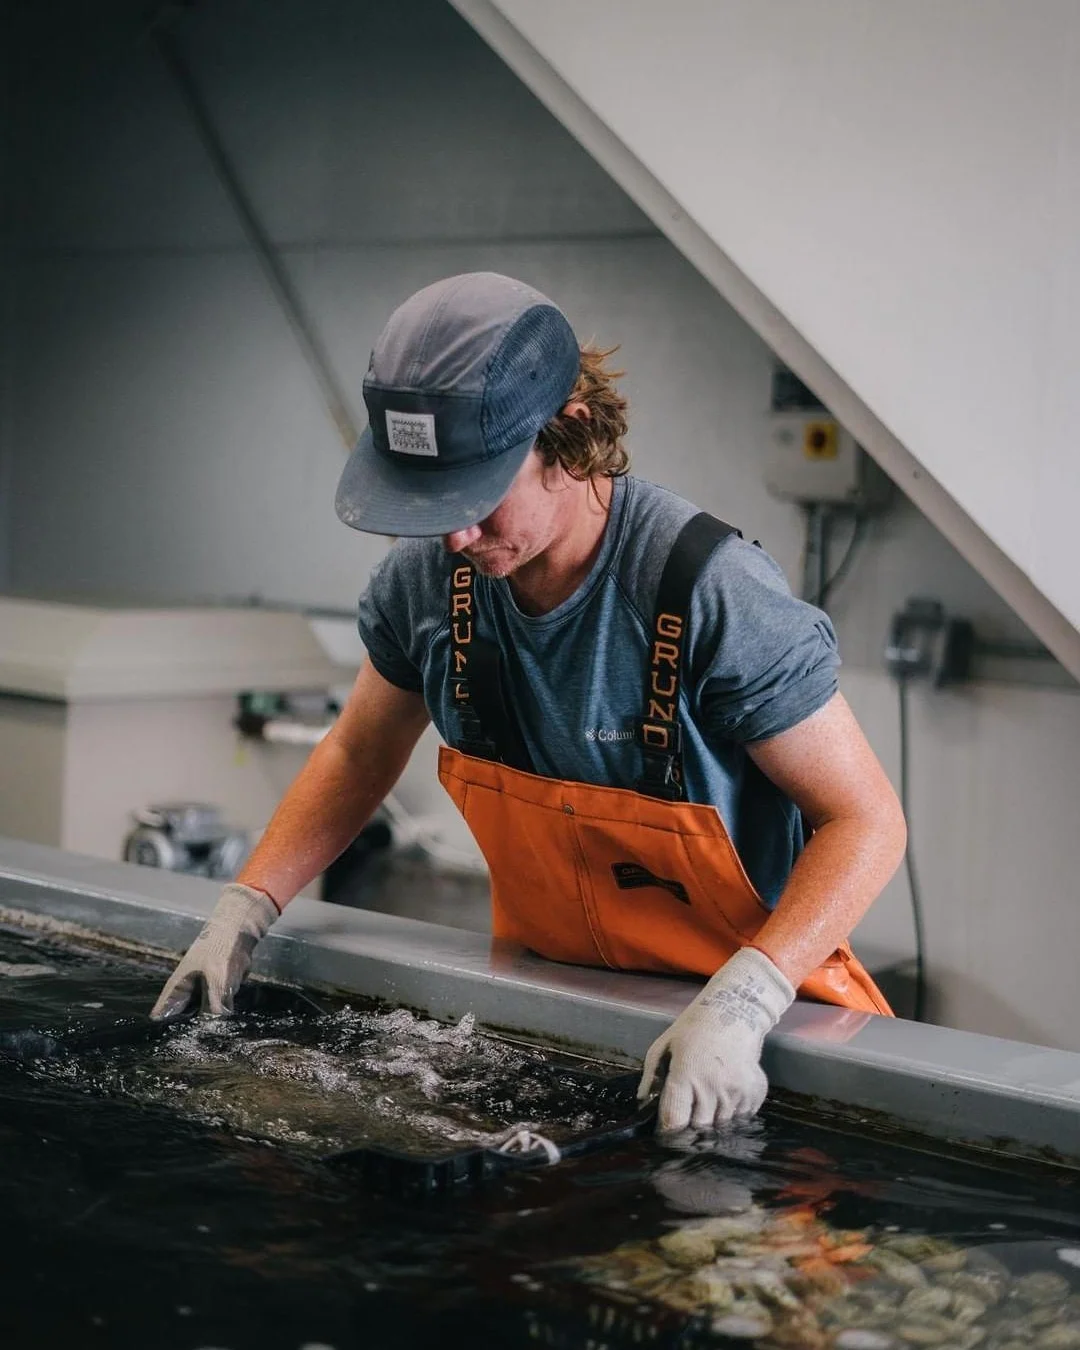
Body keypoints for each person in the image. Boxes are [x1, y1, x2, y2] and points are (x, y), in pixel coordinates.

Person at [151, 272, 907, 1131]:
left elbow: (866, 822)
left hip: (758, 1040)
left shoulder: (707, 590)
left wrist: (745, 1006)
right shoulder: (428, 583)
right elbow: (360, 753)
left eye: (476, 497)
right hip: (555, 1018)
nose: (455, 537)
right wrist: (244, 909)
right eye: (430, 503)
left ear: (570, 437)